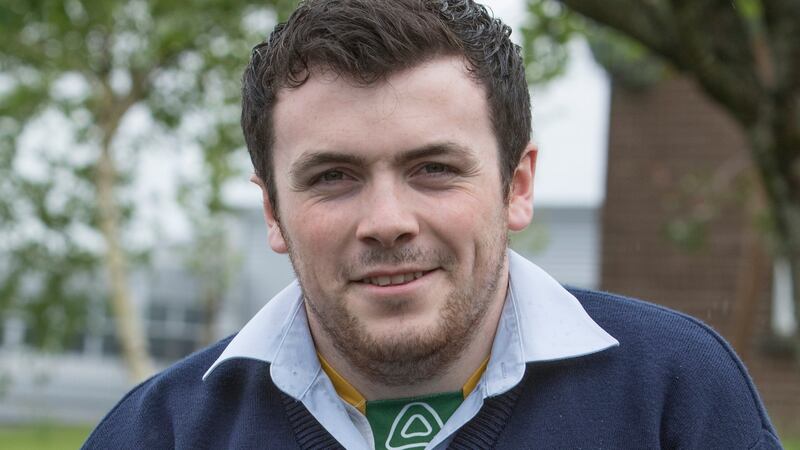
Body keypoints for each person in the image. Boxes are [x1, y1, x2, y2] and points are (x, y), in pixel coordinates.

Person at [83, 0, 783, 448]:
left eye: (434, 169)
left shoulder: (676, 394)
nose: (387, 222)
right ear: (273, 211)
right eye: (333, 177)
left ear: (517, 185)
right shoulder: (158, 433)